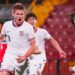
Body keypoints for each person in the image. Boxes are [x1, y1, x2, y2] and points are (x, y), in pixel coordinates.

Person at [0, 3, 40, 75]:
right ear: (13, 14)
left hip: (22, 58)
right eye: (18, 14)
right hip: (9, 57)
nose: (20, 16)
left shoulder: (28, 27)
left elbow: (33, 45)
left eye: (22, 14)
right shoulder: (6, 25)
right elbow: (1, 37)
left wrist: (25, 57)